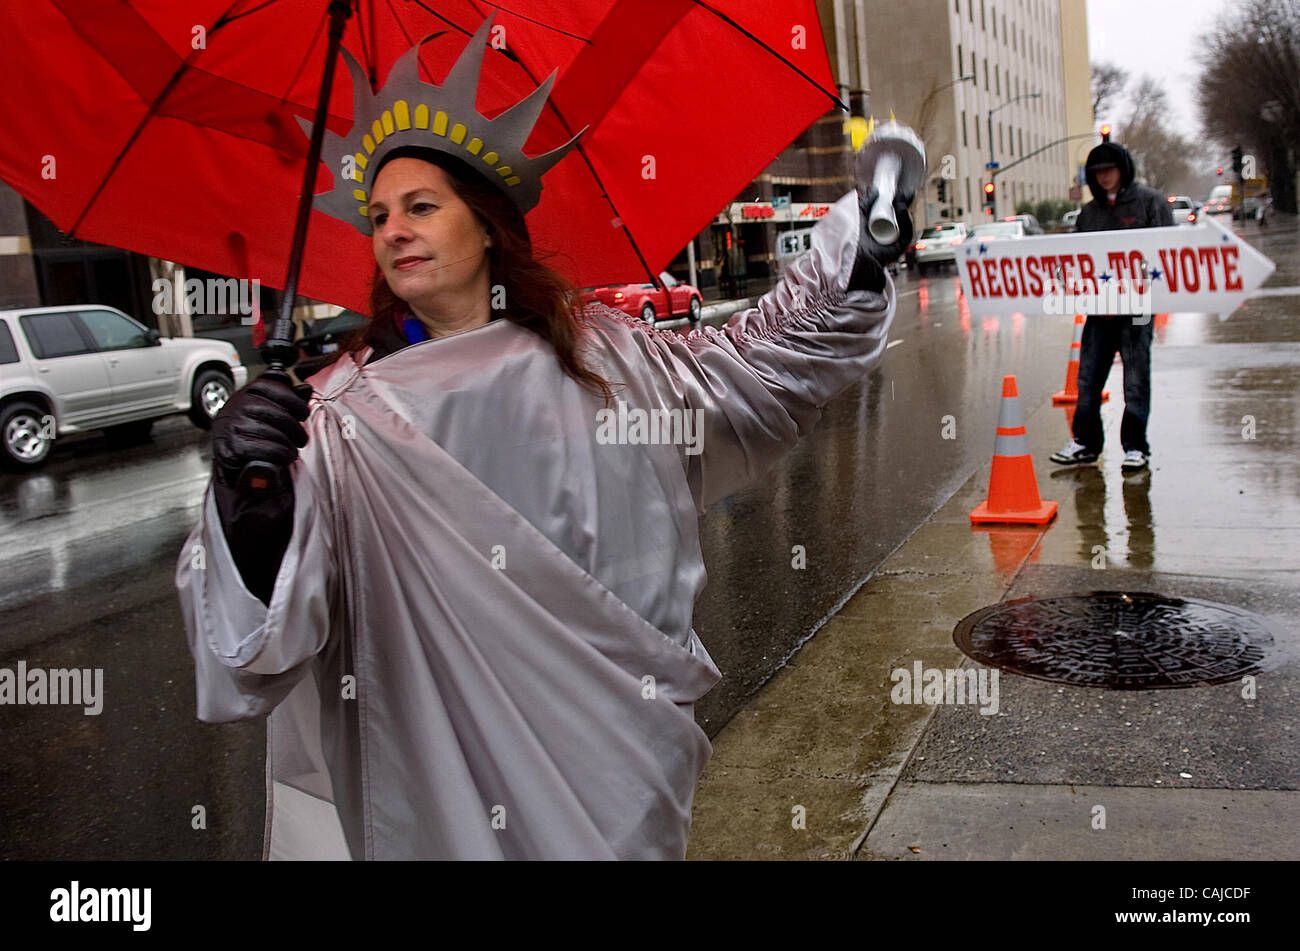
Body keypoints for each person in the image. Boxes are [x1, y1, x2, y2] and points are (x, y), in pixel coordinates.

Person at [174, 23, 912, 860]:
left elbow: (758, 366)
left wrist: (860, 253)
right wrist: (248, 499)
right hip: (437, 788)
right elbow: (256, 652)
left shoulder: (608, 358)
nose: (393, 230)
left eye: (421, 206)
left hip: (611, 771)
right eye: (378, 215)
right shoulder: (338, 422)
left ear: (487, 226)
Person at [1050, 140, 1172, 473]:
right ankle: (1085, 443)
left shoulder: (1150, 203)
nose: (1104, 177)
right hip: (1099, 307)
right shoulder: (1090, 213)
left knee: (1135, 378)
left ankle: (1135, 447)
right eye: (1098, 172)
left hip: (1138, 308)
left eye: (1109, 170)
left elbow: (1168, 250)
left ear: (1123, 170)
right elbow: (1076, 257)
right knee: (1088, 378)